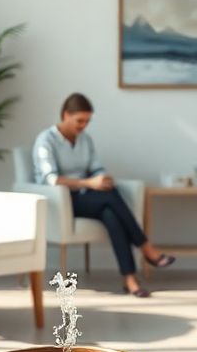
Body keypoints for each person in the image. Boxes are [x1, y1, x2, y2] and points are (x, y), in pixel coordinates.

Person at [33, 93, 175, 297]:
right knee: (110, 198)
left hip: (86, 197)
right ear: (66, 115)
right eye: (79, 121)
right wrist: (89, 182)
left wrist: (102, 178)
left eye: (87, 121)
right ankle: (146, 248)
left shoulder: (85, 139)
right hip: (61, 200)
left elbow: (95, 167)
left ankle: (130, 280)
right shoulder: (46, 140)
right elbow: (51, 179)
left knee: (111, 213)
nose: (83, 126)